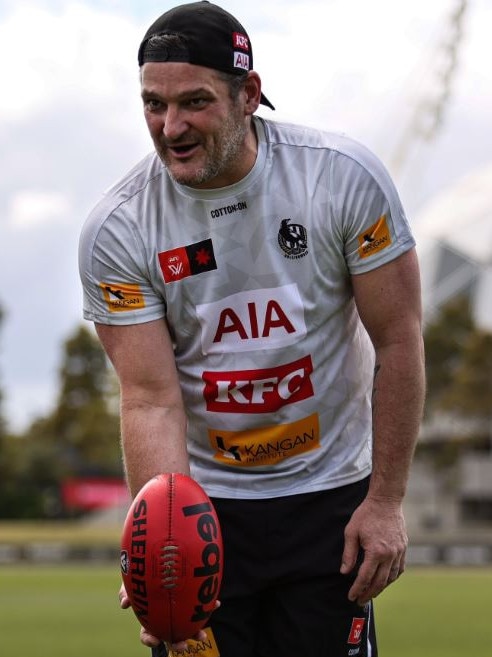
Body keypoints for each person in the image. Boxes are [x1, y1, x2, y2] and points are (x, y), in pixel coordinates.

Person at [78, 2, 425, 656]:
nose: (170, 126)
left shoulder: (341, 179)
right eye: (153, 104)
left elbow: (399, 342)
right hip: (206, 513)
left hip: (330, 503)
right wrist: (162, 549)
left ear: (250, 95)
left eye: (195, 102)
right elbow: (150, 397)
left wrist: (386, 500)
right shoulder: (120, 228)